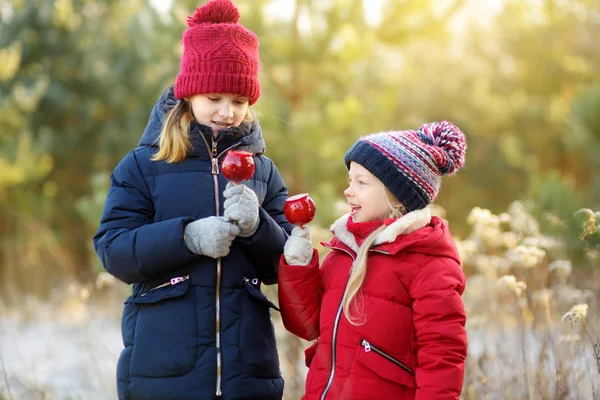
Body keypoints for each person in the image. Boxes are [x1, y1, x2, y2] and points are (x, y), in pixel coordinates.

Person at [93, 0, 292, 399]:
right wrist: (186, 238)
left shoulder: (263, 171)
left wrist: (259, 229)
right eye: (215, 97)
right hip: (163, 370)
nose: (227, 112)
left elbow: (285, 265)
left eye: (239, 102)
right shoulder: (144, 165)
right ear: (189, 94)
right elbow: (114, 249)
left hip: (247, 372)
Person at [278, 121, 469, 399]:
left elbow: (443, 355)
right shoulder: (343, 249)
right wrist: (299, 266)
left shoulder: (429, 263)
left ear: (398, 195)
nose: (348, 190)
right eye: (349, 180)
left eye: (362, 182)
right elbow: (308, 326)